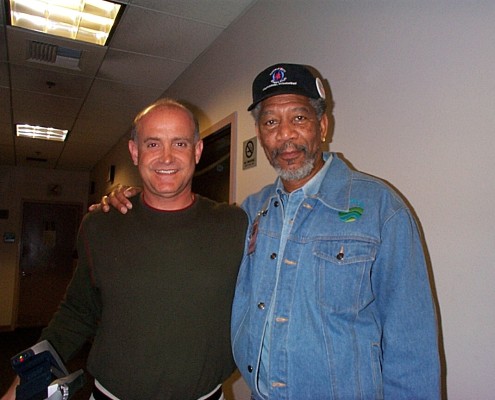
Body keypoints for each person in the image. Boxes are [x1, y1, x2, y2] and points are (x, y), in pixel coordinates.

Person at [92, 64, 441, 399]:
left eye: (299, 118)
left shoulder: (381, 209)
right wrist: (138, 198)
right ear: (260, 134)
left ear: (322, 125)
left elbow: (412, 344)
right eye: (271, 121)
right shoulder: (248, 213)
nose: (285, 135)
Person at [1, 99, 247, 400]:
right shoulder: (100, 226)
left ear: (197, 150)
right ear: (135, 151)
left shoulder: (235, 225)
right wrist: (20, 387)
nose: (166, 157)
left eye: (179, 143)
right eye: (153, 144)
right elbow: (76, 315)